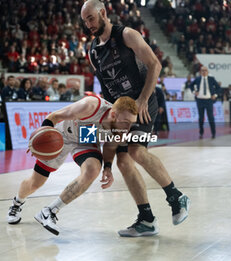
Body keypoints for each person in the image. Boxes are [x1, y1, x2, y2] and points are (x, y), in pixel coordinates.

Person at [81, 0, 190, 237]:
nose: (88, 24)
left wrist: (142, 100)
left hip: (143, 100)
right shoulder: (93, 51)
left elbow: (155, 65)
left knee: (136, 151)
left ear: (102, 13)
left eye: (91, 18)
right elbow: (107, 89)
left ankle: (176, 197)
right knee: (122, 161)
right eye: (85, 21)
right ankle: (147, 219)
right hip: (121, 107)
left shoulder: (127, 35)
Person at [7, 95, 138, 235]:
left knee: (92, 170)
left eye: (131, 123)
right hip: (61, 135)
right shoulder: (90, 106)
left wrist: (107, 167)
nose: (128, 127)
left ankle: (49, 211)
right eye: (125, 122)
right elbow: (55, 116)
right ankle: (17, 203)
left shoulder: (122, 129)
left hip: (86, 137)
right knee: (34, 183)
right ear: (113, 114)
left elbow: (110, 145)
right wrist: (38, 139)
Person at [189, 66, 221, 139]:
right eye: (202, 70)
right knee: (201, 118)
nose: (204, 72)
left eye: (205, 70)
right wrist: (194, 92)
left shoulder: (211, 79)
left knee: (211, 117)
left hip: (209, 100)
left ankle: (213, 133)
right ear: (200, 72)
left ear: (208, 72)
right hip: (200, 100)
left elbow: (218, 88)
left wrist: (215, 95)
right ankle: (201, 132)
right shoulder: (198, 79)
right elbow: (190, 85)